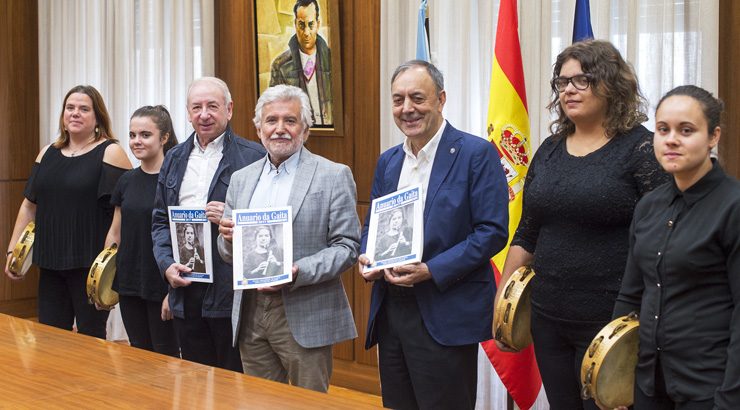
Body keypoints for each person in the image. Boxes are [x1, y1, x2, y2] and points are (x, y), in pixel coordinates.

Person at [493, 40, 670, 410]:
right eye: (562, 82)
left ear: (611, 85)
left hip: (612, 324)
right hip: (548, 317)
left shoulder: (642, 150)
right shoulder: (550, 150)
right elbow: (528, 231)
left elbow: (663, 244)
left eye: (582, 80)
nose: (569, 89)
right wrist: (503, 304)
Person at [357, 60, 509, 409]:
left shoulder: (476, 154)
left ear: (440, 99)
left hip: (445, 310)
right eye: (398, 100)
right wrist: (367, 256)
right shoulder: (389, 161)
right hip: (392, 313)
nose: (407, 109)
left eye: (417, 98)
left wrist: (432, 270)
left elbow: (492, 231)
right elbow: (373, 226)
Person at [217, 84, 359, 392]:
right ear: (258, 128)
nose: (280, 129)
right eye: (271, 121)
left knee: (309, 403)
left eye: (290, 121)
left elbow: (347, 247)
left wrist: (297, 271)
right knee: (259, 400)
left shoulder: (333, 175)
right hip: (251, 311)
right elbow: (226, 252)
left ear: (306, 129)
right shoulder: (241, 180)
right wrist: (227, 238)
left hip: (304, 308)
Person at [614, 85, 739, 409]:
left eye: (686, 130)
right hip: (648, 384)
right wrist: (613, 374)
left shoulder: (733, 206)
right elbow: (630, 294)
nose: (671, 139)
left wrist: (730, 398)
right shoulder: (648, 206)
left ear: (713, 137)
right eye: (662, 129)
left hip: (709, 388)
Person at [151, 77, 265, 371]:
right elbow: (160, 220)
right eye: (196, 107)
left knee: (233, 383)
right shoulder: (173, 158)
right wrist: (166, 265)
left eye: (212, 106)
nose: (204, 114)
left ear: (229, 109)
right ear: (187, 113)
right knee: (193, 381)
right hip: (186, 287)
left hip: (232, 292)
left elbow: (268, 223)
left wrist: (232, 214)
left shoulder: (253, 157)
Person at [4, 85, 132, 338]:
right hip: (50, 260)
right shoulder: (47, 152)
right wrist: (12, 250)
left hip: (89, 264)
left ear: (98, 117)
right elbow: (29, 205)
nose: (75, 113)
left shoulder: (111, 152)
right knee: (50, 339)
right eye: (70, 108)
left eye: (84, 109)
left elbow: (125, 210)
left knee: (90, 338)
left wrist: (114, 264)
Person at [104, 105, 180, 356]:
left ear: (164, 137)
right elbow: (115, 234)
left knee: (165, 359)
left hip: (161, 285)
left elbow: (184, 240)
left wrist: (173, 293)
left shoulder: (176, 181)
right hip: (129, 284)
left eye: (145, 135)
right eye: (133, 135)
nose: (136, 141)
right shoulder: (126, 180)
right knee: (138, 356)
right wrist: (103, 282)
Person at [270, 0, 332, 126]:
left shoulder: (333, 60)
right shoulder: (280, 66)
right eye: (302, 25)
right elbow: (274, 112)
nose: (306, 32)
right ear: (295, 24)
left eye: (311, 24)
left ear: (318, 24)